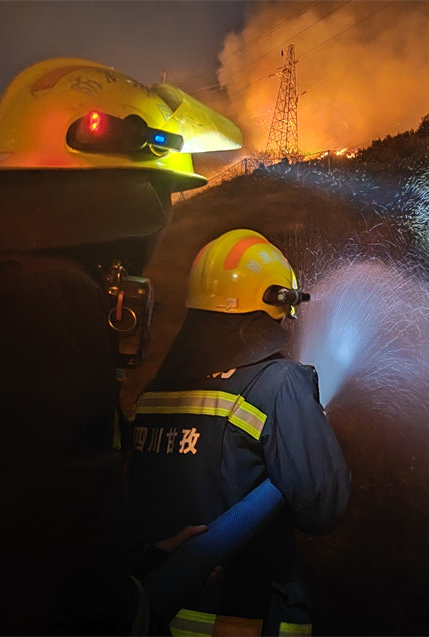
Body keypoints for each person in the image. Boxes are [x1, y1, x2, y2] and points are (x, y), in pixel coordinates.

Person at [0, 57, 243, 635]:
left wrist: (132, 557)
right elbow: (40, 550)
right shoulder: (39, 297)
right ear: (133, 193)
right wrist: (124, 608)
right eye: (165, 192)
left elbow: (21, 492)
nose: (163, 216)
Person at [126, 229, 350, 636]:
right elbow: (323, 507)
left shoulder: (152, 393)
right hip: (243, 618)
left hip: (149, 615)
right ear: (275, 304)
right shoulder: (279, 383)